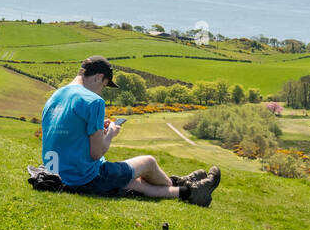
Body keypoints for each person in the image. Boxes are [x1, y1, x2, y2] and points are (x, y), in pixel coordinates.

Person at [41, 55, 221, 206]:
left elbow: (66, 134)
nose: (101, 92)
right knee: (148, 162)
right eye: (103, 85)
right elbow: (96, 153)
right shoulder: (93, 101)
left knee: (137, 183)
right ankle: (188, 188)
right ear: (98, 77)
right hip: (84, 177)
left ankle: (185, 189)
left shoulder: (54, 97)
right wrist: (111, 132)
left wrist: (96, 129)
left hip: (57, 172)